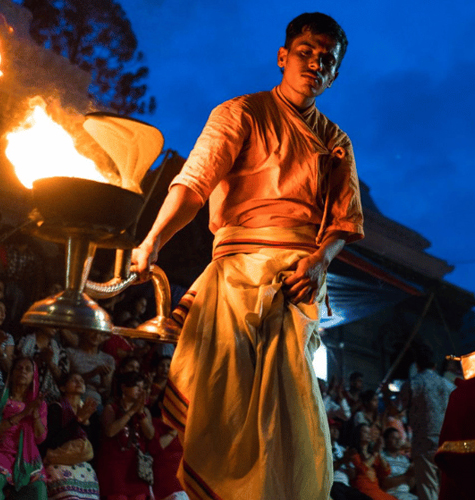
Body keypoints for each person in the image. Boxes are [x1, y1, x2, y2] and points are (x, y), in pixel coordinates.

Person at [131, 12, 363, 500]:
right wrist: (153, 240)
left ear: (335, 74)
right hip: (235, 275)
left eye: (327, 60)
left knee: (290, 414)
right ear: (283, 57)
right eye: (306, 52)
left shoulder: (336, 141)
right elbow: (194, 185)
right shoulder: (239, 113)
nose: (315, 64)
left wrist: (319, 262)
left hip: (298, 283)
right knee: (227, 407)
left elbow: (343, 223)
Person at [0, 356, 48, 499]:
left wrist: (34, 413)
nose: (23, 372)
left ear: (33, 376)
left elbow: (40, 438)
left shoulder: (39, 404)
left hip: (27, 456)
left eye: (28, 369)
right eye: (19, 368)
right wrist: (23, 414)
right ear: (11, 373)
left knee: (39, 488)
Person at [400, 345, 454, 500]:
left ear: (417, 365)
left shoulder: (412, 383)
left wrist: (385, 395)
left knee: (428, 488)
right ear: (434, 365)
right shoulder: (448, 385)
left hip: (423, 442)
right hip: (446, 440)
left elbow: (397, 410)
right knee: (448, 486)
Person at [96, 371, 156, 500]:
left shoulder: (145, 411)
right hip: (115, 465)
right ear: (124, 388)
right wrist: (132, 411)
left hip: (137, 467)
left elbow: (150, 435)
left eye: (142, 388)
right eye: (136, 387)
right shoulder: (111, 408)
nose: (140, 391)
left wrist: (140, 413)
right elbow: (110, 431)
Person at [41, 372, 100, 500]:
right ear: (62, 387)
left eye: (82, 381)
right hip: (59, 462)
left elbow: (93, 444)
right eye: (74, 380)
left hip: (82, 464)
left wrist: (84, 422)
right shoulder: (56, 408)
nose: (79, 383)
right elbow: (52, 442)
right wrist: (78, 420)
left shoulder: (89, 410)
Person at [17, 327, 70, 403]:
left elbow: (63, 379)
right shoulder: (23, 342)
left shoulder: (60, 350)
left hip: (49, 399)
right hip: (23, 394)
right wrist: (39, 359)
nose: (55, 326)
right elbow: (16, 367)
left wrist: (50, 362)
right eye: (51, 322)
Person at [348, 424, 397, 500]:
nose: (368, 434)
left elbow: (386, 471)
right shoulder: (353, 453)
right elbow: (362, 469)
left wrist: (379, 453)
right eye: (365, 432)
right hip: (363, 492)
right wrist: (375, 453)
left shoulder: (372, 455)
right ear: (358, 434)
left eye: (369, 432)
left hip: (376, 491)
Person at [380, 427, 416, 500]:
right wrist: (406, 476)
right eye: (394, 438)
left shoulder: (404, 460)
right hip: (390, 495)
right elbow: (384, 484)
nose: (398, 440)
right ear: (386, 441)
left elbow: (410, 485)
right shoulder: (382, 457)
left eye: (399, 438)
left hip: (406, 494)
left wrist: (412, 475)